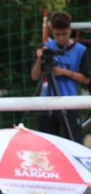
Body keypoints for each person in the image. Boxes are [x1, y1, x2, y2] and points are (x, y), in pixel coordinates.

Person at [31, 11, 91, 142]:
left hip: (70, 103)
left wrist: (64, 72)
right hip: (47, 102)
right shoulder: (45, 48)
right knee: (46, 144)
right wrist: (39, 59)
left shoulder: (80, 50)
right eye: (57, 34)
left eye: (64, 34)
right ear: (52, 32)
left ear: (70, 30)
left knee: (75, 143)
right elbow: (35, 76)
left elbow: (86, 79)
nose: (61, 38)